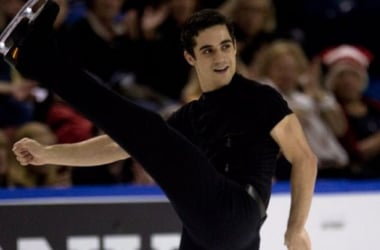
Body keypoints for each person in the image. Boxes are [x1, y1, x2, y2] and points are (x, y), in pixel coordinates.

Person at [6, 1, 317, 249]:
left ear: (235, 48)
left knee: (148, 127)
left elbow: (304, 158)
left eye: (225, 46)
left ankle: (35, 57)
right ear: (190, 57)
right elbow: (119, 143)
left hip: (238, 216)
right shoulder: (190, 117)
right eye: (207, 50)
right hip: (213, 232)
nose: (220, 57)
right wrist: (50, 154)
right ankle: (36, 55)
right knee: (143, 130)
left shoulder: (260, 98)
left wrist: (295, 229)